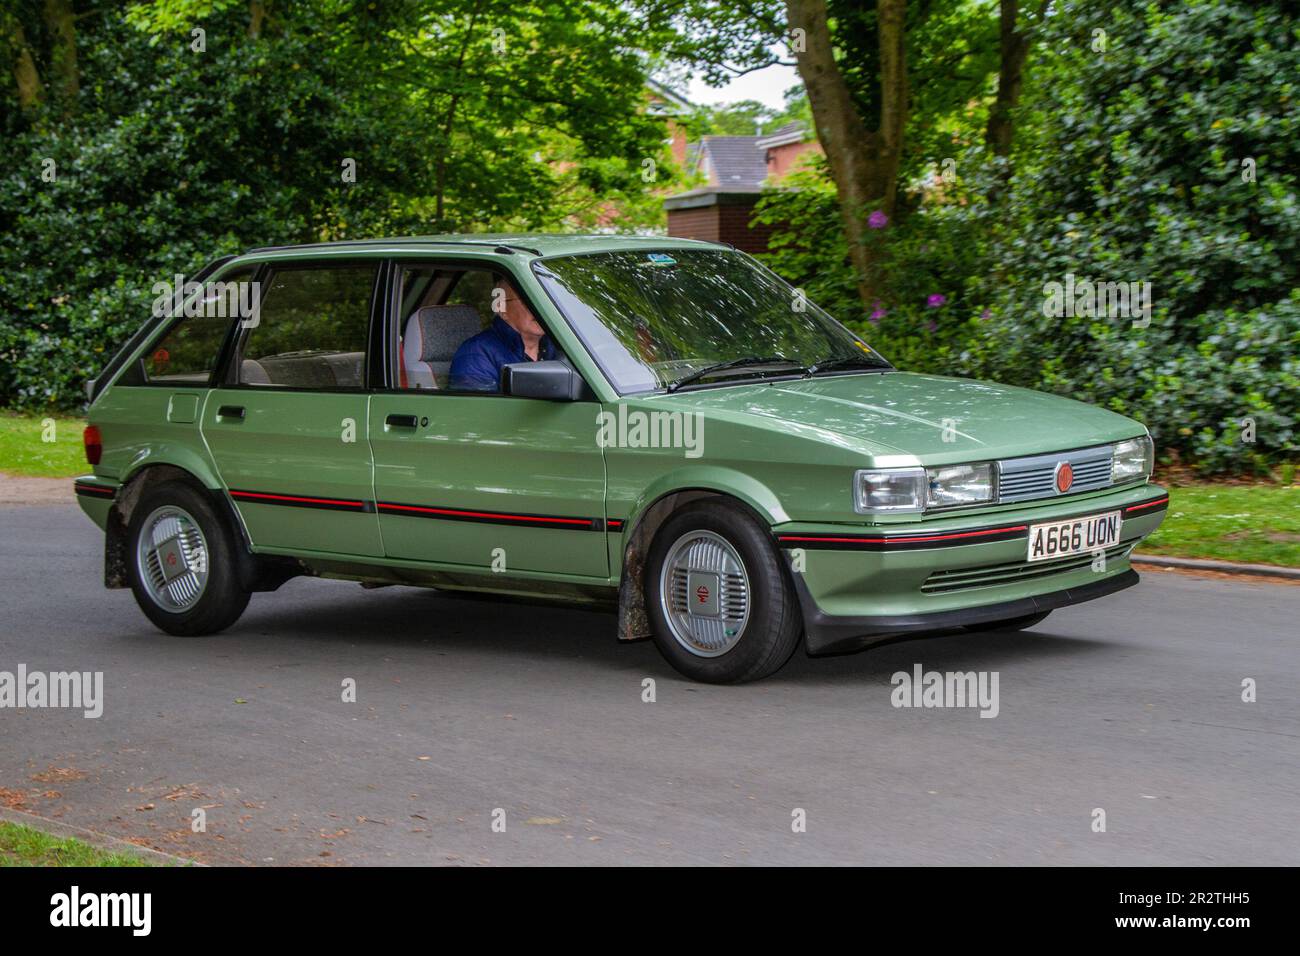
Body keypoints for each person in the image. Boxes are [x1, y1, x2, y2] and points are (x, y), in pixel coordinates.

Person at [448, 279, 556, 392]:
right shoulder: (476, 352)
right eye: (528, 301)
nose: (539, 308)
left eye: (543, 301)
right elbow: (477, 408)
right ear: (502, 308)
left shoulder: (562, 347)